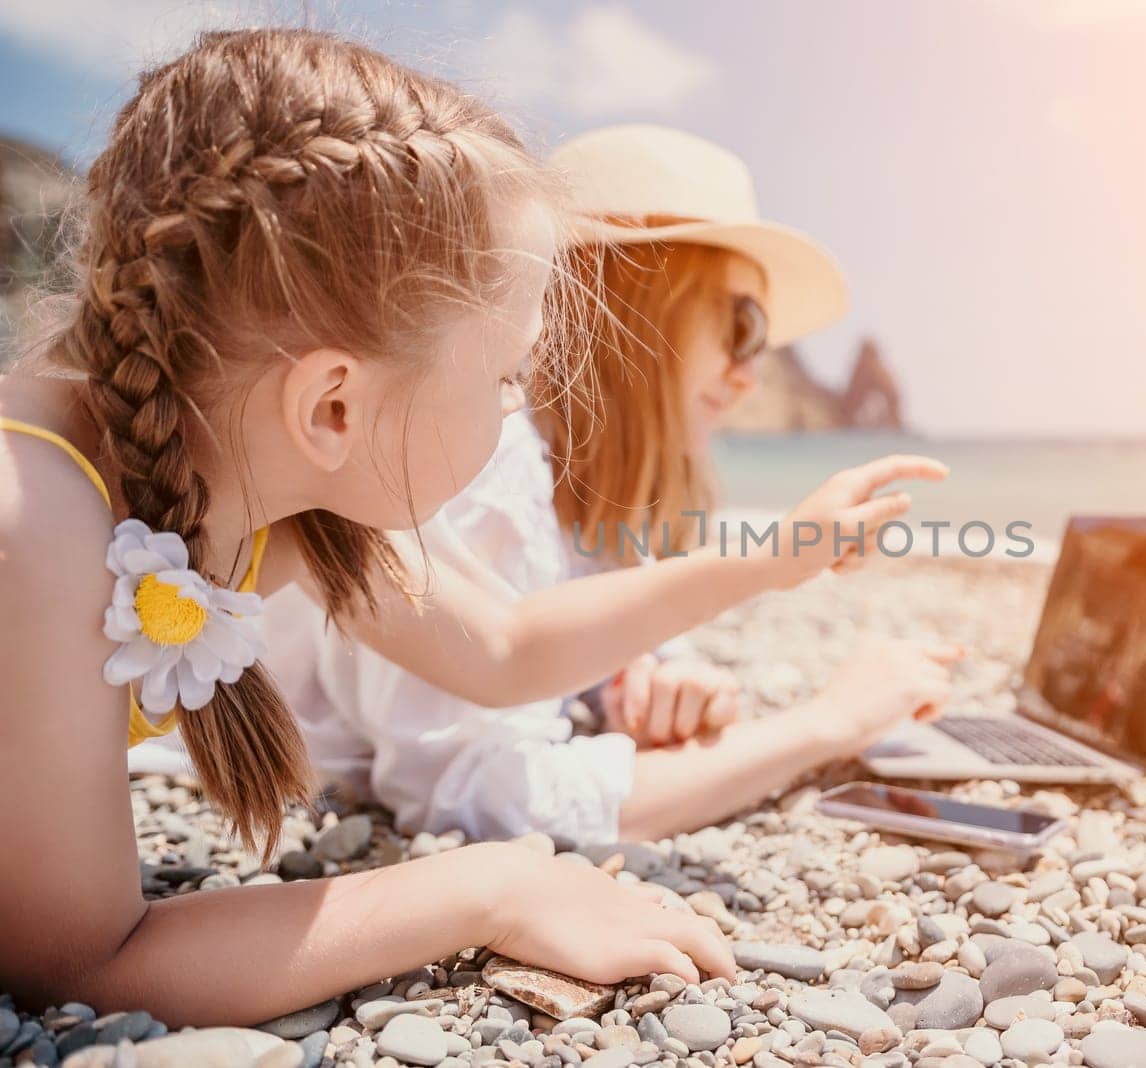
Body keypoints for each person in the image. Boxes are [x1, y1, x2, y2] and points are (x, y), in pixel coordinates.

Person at [0, 32, 932, 1023]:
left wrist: (775, 558)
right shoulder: (34, 523)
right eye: (506, 379)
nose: (516, 412)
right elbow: (84, 962)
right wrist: (489, 890)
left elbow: (504, 648)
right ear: (331, 409)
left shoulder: (290, 504)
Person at [263, 125, 961, 845]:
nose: (751, 372)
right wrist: (828, 723)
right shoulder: (482, 462)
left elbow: (551, 625)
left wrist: (632, 678)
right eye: (741, 325)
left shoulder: (572, 478)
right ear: (644, 305)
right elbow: (474, 797)